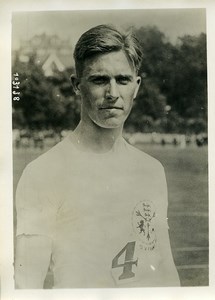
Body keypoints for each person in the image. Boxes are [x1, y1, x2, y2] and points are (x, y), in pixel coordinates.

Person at [15, 24, 180, 288]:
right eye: (100, 80)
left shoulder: (151, 170)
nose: (113, 93)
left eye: (122, 80)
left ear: (136, 86)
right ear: (76, 85)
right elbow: (26, 285)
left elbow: (165, 269)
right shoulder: (43, 173)